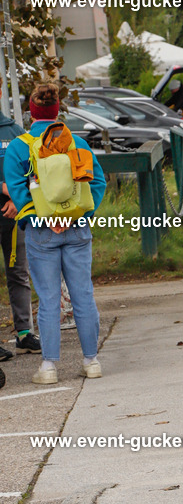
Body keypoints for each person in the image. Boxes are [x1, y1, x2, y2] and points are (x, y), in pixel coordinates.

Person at [4, 82, 106, 383]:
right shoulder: (77, 143)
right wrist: (77, 214)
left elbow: (18, 192)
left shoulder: (19, 147)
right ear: (57, 108)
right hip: (77, 229)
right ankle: (91, 361)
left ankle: (48, 367)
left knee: (48, 299)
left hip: (40, 232)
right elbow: (97, 182)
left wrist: (46, 219)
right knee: (83, 296)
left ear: (31, 110)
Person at [0, 98, 40, 361]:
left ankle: (24, 333)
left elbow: (33, 171)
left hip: (13, 216)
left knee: (18, 273)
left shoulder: (15, 131)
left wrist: (17, 197)